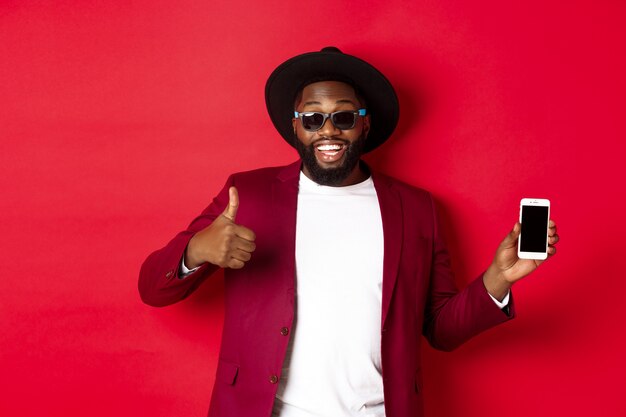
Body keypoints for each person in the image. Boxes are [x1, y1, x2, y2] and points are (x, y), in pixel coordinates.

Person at [138, 47, 559, 417]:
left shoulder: (415, 209)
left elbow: (441, 330)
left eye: (343, 117)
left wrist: (498, 279)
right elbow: (153, 289)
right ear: (296, 125)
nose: (328, 130)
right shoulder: (247, 193)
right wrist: (196, 250)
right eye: (313, 118)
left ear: (365, 124)